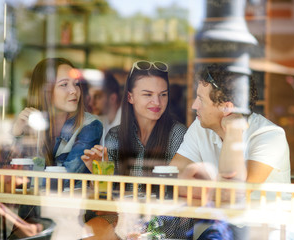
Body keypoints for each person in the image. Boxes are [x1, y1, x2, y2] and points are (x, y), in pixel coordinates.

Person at [169, 63, 294, 240]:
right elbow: (173, 176)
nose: (194, 105)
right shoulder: (199, 128)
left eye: (201, 99)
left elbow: (232, 195)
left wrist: (233, 132)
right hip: (226, 227)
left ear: (227, 108)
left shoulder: (269, 136)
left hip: (273, 228)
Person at [81, 60, 190, 239]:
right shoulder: (115, 136)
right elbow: (102, 208)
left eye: (163, 94)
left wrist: (139, 227)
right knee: (89, 231)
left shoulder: (177, 134)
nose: (157, 102)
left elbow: (179, 203)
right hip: (123, 221)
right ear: (130, 97)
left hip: (162, 226)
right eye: (148, 94)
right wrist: (99, 173)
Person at [12, 57, 103, 176]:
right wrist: (17, 134)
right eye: (64, 84)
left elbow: (63, 180)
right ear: (44, 91)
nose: (74, 90)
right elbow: (6, 175)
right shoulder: (29, 122)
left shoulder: (90, 125)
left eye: (76, 84)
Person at [84, 69, 122, 135]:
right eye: (91, 97)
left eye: (97, 97)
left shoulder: (126, 125)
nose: (91, 103)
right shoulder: (100, 120)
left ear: (113, 98)